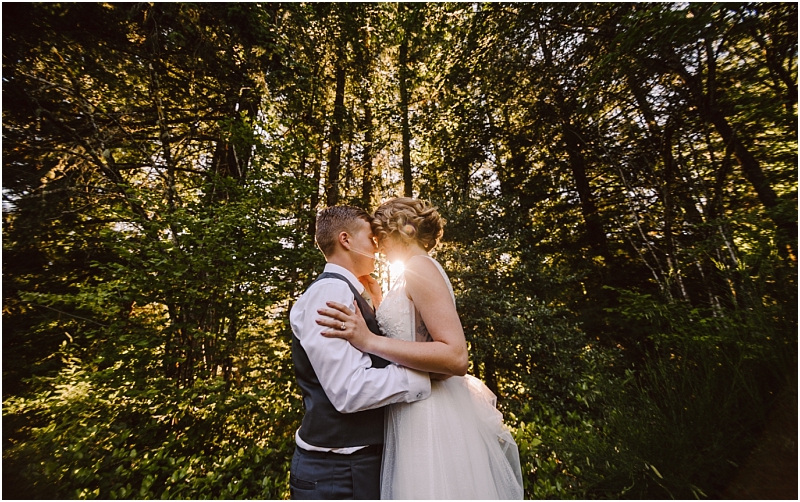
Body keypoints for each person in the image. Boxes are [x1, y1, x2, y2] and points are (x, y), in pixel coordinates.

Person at [317, 198, 524, 500]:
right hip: (412, 407)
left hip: (430, 415)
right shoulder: (411, 272)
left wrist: (368, 340)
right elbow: (415, 338)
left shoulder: (419, 267)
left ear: (398, 231)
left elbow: (455, 356)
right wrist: (377, 303)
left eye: (379, 236)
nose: (377, 245)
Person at [289, 205, 433, 500]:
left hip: (351, 467)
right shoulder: (330, 294)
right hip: (338, 473)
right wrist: (424, 377)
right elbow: (349, 391)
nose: (377, 246)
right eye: (370, 237)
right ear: (346, 240)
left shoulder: (349, 292)